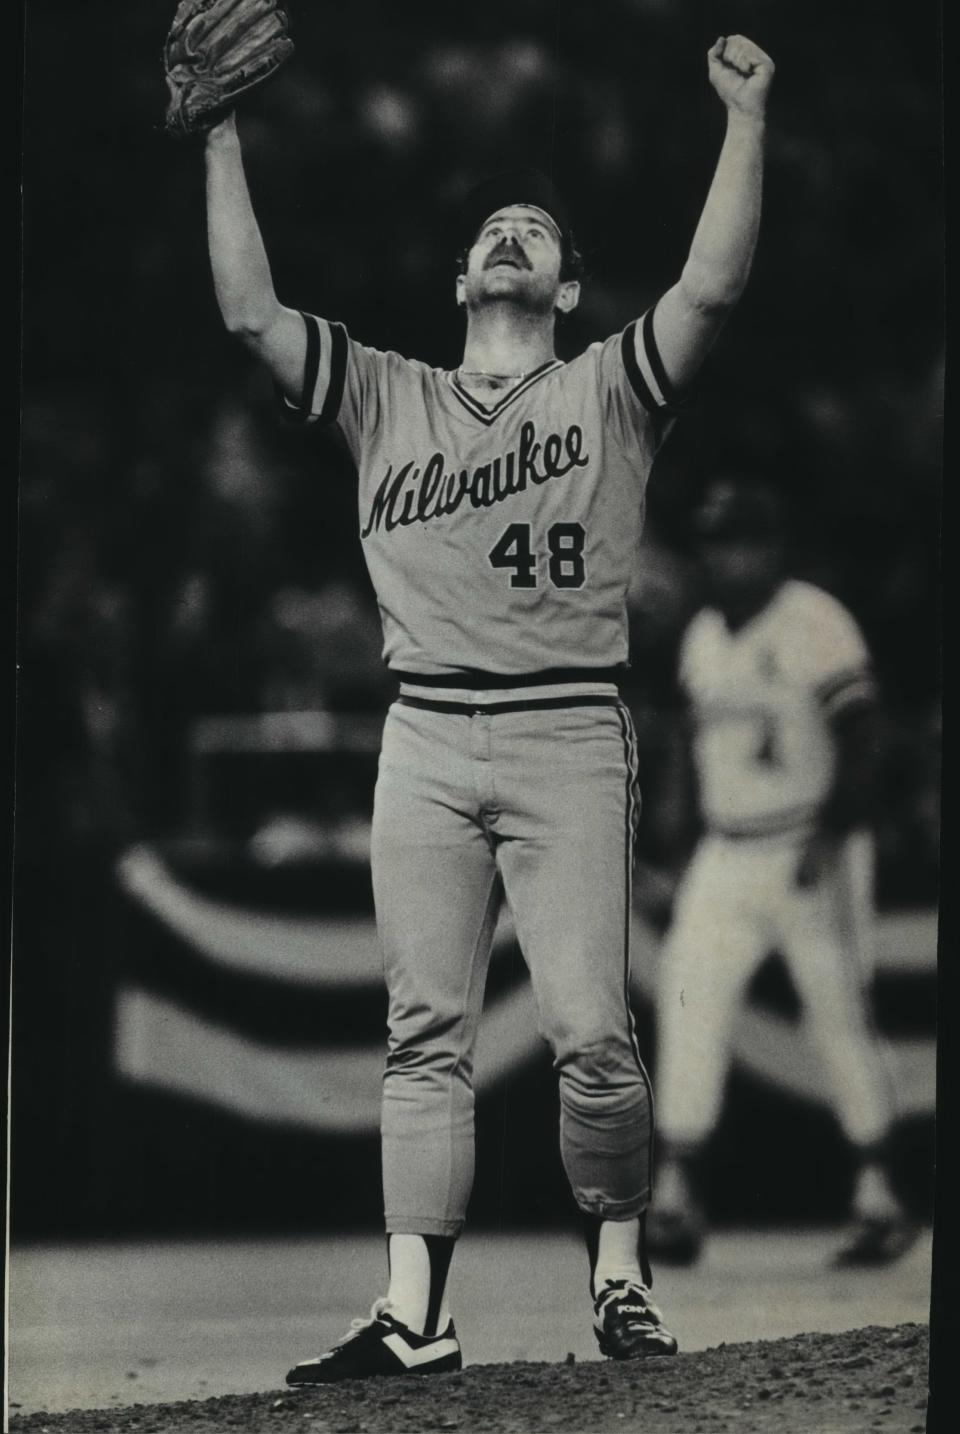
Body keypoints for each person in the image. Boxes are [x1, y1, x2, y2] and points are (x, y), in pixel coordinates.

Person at [201, 33, 774, 1380]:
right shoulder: (388, 390)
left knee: (593, 1031)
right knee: (425, 1030)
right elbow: (246, 313)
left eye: (537, 234)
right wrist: (221, 137)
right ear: (463, 278)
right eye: (492, 231)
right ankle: (415, 1312)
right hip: (427, 731)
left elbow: (716, 283)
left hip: (572, 723)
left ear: (569, 286)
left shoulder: (608, 389)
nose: (511, 237)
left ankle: (620, 1280)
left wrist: (746, 121)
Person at [647, 475, 919, 1269]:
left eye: (742, 540)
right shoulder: (703, 634)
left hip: (810, 840)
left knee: (838, 1011)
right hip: (728, 847)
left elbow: (866, 733)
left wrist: (832, 830)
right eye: (715, 542)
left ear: (774, 547)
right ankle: (676, 1192)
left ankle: (879, 1195)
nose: (727, 557)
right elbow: (691, 744)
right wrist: (674, 833)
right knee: (688, 998)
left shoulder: (814, 622)